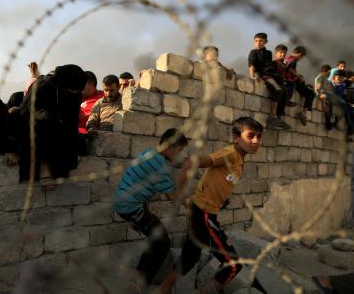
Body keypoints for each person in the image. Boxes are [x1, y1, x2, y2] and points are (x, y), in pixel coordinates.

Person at [159, 117, 264, 294]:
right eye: (251, 135)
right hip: (204, 214)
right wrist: (179, 194)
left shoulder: (239, 158)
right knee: (233, 265)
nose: (256, 141)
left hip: (202, 211)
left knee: (190, 256)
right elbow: (191, 163)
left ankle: (163, 289)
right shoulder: (229, 154)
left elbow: (220, 181)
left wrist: (222, 199)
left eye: (259, 137)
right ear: (236, 138)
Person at [113, 128, 189, 291]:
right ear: (169, 148)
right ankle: (139, 284)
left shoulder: (151, 153)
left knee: (156, 235)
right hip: (130, 207)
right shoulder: (160, 166)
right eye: (179, 151)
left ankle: (139, 274)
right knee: (163, 242)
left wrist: (178, 162)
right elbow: (172, 197)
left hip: (126, 201)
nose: (180, 155)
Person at [16, 64, 88, 180]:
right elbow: (26, 113)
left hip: (60, 128)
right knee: (43, 126)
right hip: (37, 129)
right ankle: (44, 168)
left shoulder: (75, 92)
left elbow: (72, 120)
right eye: (73, 90)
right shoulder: (42, 86)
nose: (75, 93)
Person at [284, 46, 314, 126]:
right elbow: (289, 68)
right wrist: (297, 76)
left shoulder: (288, 58)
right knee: (311, 93)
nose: (300, 59)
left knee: (307, 88)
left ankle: (304, 113)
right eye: (301, 57)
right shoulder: (293, 59)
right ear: (300, 54)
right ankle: (303, 113)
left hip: (291, 80)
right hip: (290, 81)